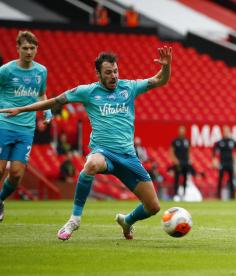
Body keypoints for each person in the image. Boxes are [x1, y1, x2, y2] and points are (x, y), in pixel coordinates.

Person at [0, 47, 172, 240]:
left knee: (153, 207)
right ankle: (74, 219)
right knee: (90, 165)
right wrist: (22, 109)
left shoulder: (129, 87)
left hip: (128, 156)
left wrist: (166, 67)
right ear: (98, 74)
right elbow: (56, 101)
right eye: (108, 72)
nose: (113, 76)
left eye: (115, 71)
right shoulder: (87, 92)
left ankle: (127, 221)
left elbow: (160, 80)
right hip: (103, 152)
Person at [0, 31, 52, 222]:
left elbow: (41, 94)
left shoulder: (41, 71)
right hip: (4, 124)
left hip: (26, 129)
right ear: (18, 49)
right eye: (25, 48)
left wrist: (47, 111)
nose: (29, 52)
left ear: (36, 49)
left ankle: (0, 200)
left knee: (15, 174)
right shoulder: (6, 71)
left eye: (32, 48)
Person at [213, 126, 236, 200]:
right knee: (220, 179)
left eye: (227, 131)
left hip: (230, 163)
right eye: (225, 131)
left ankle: (232, 196)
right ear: (222, 132)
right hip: (222, 163)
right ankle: (218, 195)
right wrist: (214, 159)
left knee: (231, 180)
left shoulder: (232, 141)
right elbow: (214, 150)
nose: (226, 133)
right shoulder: (220, 142)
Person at [169, 126, 191, 200]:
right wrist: (175, 160)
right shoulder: (175, 141)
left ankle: (184, 194)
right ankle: (176, 194)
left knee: (185, 178)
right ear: (179, 132)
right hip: (178, 162)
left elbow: (189, 151)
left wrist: (189, 159)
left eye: (183, 131)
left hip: (185, 162)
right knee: (177, 178)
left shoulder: (187, 141)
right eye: (180, 131)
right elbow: (171, 151)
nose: (182, 132)